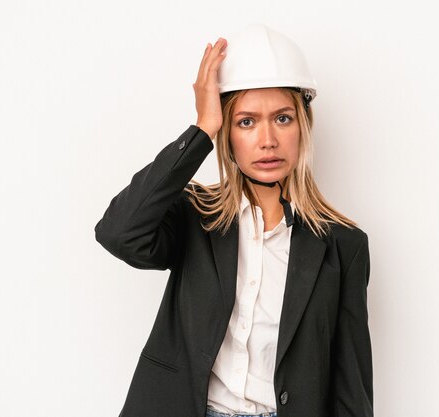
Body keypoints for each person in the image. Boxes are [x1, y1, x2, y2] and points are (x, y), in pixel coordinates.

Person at [95, 24, 373, 417]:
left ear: (303, 125)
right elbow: (119, 232)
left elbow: (351, 386)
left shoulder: (344, 246)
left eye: (282, 119)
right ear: (228, 133)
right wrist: (202, 129)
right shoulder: (195, 216)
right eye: (246, 121)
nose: (267, 141)